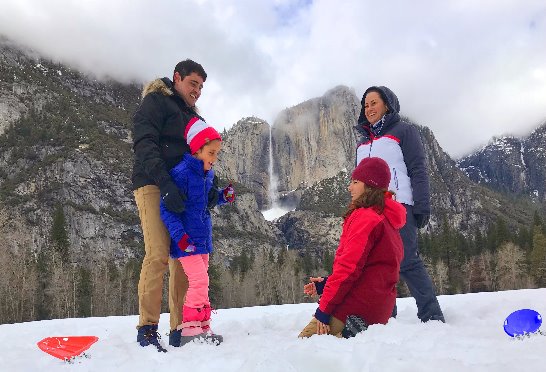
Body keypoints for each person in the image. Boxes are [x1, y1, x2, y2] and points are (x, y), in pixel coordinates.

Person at [132, 59, 220, 351]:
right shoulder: (156, 102)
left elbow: (199, 155)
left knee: (183, 258)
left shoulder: (192, 116)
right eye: (193, 83)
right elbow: (144, 142)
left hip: (182, 189)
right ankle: (147, 327)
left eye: (201, 87)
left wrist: (211, 185)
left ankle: (181, 329)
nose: (197, 91)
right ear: (177, 78)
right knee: (157, 253)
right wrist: (164, 183)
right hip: (153, 184)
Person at [354, 86, 445, 323]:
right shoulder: (362, 143)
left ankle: (432, 315)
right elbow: (358, 181)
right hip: (370, 212)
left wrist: (422, 204)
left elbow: (418, 169)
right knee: (378, 265)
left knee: (407, 261)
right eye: (366, 105)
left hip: (399, 206)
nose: (369, 108)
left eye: (374, 103)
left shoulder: (404, 131)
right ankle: (385, 317)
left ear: (387, 104)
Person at [298, 157, 406, 338]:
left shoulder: (366, 218)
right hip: (379, 309)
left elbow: (347, 269)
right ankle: (350, 335)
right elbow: (371, 270)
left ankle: (350, 334)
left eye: (355, 182)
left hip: (355, 310)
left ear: (370, 186)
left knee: (304, 348)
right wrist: (326, 284)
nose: (349, 187)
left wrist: (324, 311)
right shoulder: (387, 220)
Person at [160, 118, 234, 346]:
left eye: (216, 154)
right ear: (197, 149)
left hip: (203, 241)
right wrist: (180, 237)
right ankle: (190, 331)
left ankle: (203, 326)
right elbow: (166, 209)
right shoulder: (181, 174)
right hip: (187, 242)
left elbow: (205, 204)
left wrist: (223, 196)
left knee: (204, 282)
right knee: (199, 281)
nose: (214, 159)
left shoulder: (207, 175)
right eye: (211, 153)